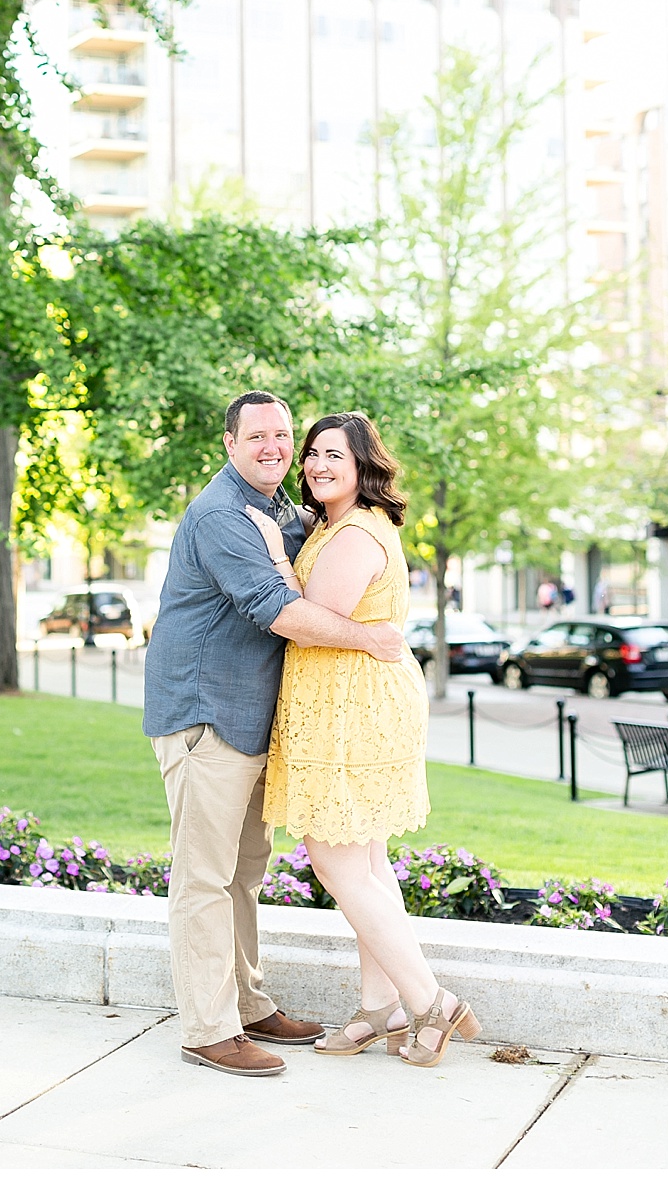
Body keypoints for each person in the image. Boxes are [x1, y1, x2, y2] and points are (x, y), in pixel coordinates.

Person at [143, 390, 412, 1079]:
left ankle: (248, 1003)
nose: (275, 447)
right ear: (229, 443)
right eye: (258, 435)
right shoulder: (221, 515)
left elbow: (323, 562)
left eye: (284, 435)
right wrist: (373, 641)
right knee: (205, 875)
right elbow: (281, 608)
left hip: (254, 718)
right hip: (205, 715)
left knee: (243, 872)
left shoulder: (282, 513)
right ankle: (209, 1026)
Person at [243, 411, 481, 1068]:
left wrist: (269, 552)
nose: (317, 464)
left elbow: (308, 620)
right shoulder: (343, 525)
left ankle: (431, 999)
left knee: (337, 862)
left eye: (333, 456)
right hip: (352, 700)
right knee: (368, 864)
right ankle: (382, 1008)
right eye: (312, 454)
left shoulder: (353, 533)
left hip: (352, 708)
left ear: (363, 466)